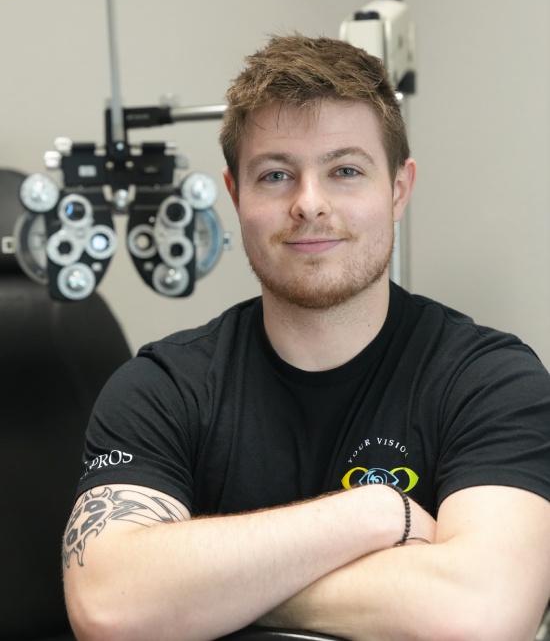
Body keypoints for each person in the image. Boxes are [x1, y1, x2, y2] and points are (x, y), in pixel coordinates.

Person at [62, 33, 550, 641]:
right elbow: (111, 606)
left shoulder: (491, 381)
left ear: (398, 189)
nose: (309, 204)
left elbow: (482, 615)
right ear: (236, 194)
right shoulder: (160, 388)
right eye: (274, 176)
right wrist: (375, 514)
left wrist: (216, 593)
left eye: (345, 170)